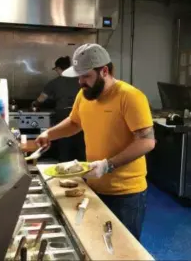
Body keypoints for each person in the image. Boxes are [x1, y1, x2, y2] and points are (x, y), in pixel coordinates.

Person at [35, 44, 155, 241]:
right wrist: (49, 134)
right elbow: (74, 123)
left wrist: (108, 165)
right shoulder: (84, 95)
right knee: (98, 247)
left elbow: (147, 142)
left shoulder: (130, 96)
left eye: (86, 76)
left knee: (122, 251)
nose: (80, 82)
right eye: (79, 77)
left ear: (104, 71)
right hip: (93, 187)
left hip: (125, 194)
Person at [32, 56, 85, 162]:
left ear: (59, 69)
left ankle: (64, 165)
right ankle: (82, 167)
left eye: (56, 69)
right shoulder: (81, 80)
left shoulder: (55, 82)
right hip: (81, 113)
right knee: (80, 143)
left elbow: (41, 99)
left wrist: (34, 104)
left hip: (63, 114)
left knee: (64, 143)